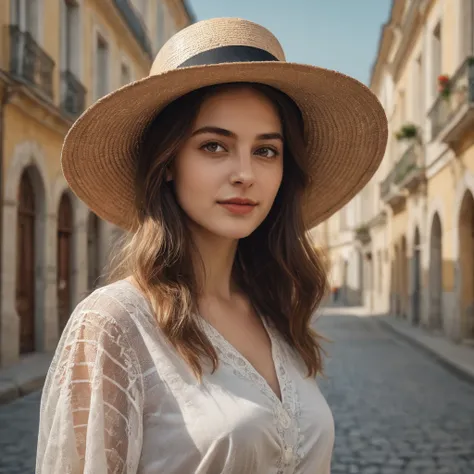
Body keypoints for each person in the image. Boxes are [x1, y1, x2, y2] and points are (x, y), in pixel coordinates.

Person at [36, 17, 387, 474]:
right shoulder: (114, 325)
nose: (245, 172)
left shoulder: (276, 310)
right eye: (214, 146)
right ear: (167, 163)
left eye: (266, 151)